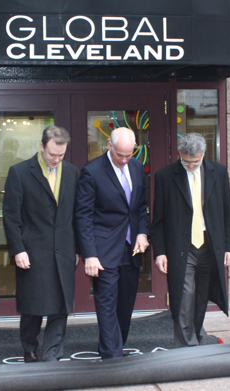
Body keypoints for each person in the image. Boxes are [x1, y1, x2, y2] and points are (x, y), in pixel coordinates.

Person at [151, 133, 230, 348]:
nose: (190, 165)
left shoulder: (219, 172)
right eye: (186, 161)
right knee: (184, 294)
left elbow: (227, 212)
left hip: (210, 244)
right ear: (179, 155)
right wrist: (159, 252)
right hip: (182, 245)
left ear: (203, 155)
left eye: (195, 162)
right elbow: (158, 219)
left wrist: (229, 247)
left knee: (201, 295)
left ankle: (195, 336)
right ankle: (186, 345)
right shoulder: (165, 176)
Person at [2, 125, 79, 362]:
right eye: (52, 155)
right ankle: (29, 346)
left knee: (61, 306)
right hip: (33, 250)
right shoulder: (20, 172)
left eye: (61, 155)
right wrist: (18, 250)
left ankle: (52, 353)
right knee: (33, 305)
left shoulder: (72, 172)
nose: (56, 160)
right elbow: (11, 216)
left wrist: (77, 249)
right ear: (41, 146)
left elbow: (76, 214)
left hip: (64, 249)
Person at [76, 127, 150, 359]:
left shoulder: (137, 167)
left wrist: (142, 233)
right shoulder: (92, 171)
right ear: (110, 146)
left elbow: (141, 207)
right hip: (104, 249)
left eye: (129, 155)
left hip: (132, 249)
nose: (125, 160)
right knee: (107, 304)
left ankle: (115, 344)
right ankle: (112, 356)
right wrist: (89, 254)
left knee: (125, 304)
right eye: (120, 155)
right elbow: (83, 216)